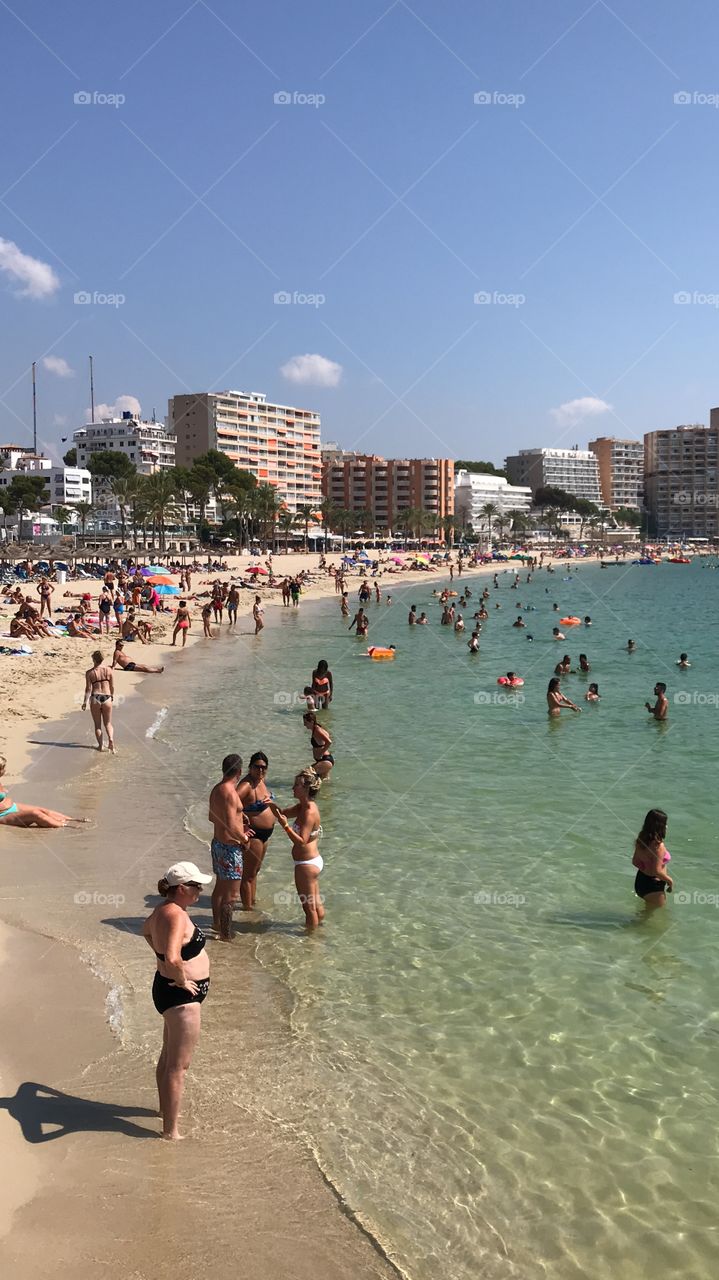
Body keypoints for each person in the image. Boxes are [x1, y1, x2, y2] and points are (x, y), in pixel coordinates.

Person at [143, 860, 213, 1139]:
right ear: (181, 888)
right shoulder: (176, 916)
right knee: (178, 1066)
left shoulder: (162, 910)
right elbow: (173, 957)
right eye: (196, 886)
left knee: (168, 1056)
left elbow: (146, 932)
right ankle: (171, 1132)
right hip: (180, 996)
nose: (199, 891)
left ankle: (165, 1112)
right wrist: (183, 980)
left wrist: (161, 959)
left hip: (167, 990)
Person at [270, 768, 325, 930]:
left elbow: (301, 841)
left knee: (309, 909)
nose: (293, 788)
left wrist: (286, 826)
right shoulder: (304, 806)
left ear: (306, 789)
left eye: (296, 785)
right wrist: (268, 803)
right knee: (316, 905)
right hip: (312, 861)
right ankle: (320, 931)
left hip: (306, 864)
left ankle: (311, 943)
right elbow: (283, 813)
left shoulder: (309, 812)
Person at [208, 754, 250, 940]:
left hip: (218, 844)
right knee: (231, 896)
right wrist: (244, 838)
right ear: (240, 772)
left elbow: (213, 817)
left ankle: (216, 924)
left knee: (219, 888)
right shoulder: (231, 792)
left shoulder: (216, 789)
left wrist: (241, 817)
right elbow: (231, 825)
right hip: (230, 848)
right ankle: (226, 935)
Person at [0, 754, 87, 827]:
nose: (4, 770)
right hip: (3, 815)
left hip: (11, 806)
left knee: (43, 810)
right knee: (35, 814)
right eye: (2, 768)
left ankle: (73, 819)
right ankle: (66, 826)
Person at [237, 752, 276, 910]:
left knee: (255, 871)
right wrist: (243, 826)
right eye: (257, 767)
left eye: (264, 768)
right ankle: (248, 910)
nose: (260, 770)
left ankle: (251, 902)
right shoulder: (246, 786)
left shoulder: (261, 781)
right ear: (250, 767)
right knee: (248, 875)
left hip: (265, 834)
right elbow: (230, 805)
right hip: (253, 834)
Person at [632, 809, 673, 908]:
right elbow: (657, 871)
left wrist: (647, 870)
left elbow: (635, 862)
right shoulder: (658, 846)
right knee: (656, 918)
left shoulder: (641, 839)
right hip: (653, 886)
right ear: (659, 825)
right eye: (665, 823)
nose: (667, 826)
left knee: (646, 915)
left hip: (640, 881)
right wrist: (670, 881)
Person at [82, 650, 115, 752]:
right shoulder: (109, 670)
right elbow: (112, 686)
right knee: (108, 723)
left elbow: (88, 689)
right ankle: (111, 739)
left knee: (97, 725)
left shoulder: (89, 672)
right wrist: (112, 696)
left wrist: (84, 702)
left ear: (93, 659)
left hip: (95, 697)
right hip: (107, 697)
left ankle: (100, 746)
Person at [303, 710, 335, 779]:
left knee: (305, 775)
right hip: (323, 760)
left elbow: (329, 742)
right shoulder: (316, 729)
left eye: (305, 722)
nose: (304, 725)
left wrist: (321, 753)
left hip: (325, 760)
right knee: (323, 784)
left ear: (311, 722)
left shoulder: (317, 730)